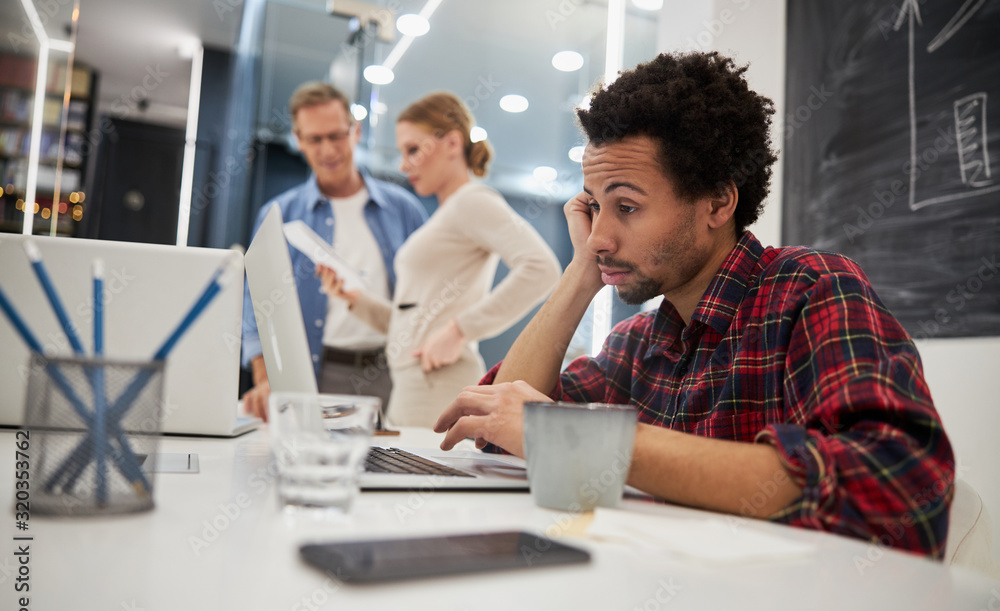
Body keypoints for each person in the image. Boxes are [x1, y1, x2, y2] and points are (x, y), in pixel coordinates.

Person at [433, 52, 955, 558]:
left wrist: (577, 440)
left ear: (718, 203)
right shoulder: (641, 343)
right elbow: (499, 430)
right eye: (595, 206)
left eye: (627, 207)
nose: (599, 236)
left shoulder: (812, 290)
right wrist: (579, 274)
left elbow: (901, 491)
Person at [319, 92, 561, 428]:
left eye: (413, 150)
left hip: (435, 384)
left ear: (451, 143)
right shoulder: (448, 214)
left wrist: (461, 329)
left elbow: (542, 269)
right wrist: (354, 299)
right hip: (414, 383)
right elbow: (413, 324)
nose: (404, 165)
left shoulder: (471, 201)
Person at [241, 82, 427, 420]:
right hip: (318, 372)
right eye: (315, 139)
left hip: (394, 372)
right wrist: (265, 378)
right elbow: (255, 302)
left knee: (394, 467)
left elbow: (428, 294)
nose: (328, 150)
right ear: (299, 140)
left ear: (355, 132)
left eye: (336, 136)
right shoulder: (278, 214)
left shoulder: (404, 209)